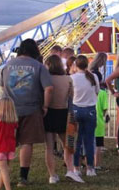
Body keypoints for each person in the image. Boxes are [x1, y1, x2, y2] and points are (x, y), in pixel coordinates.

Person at [1, 38, 53, 186]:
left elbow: (3, 86)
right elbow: (49, 88)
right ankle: (22, 177)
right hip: (31, 108)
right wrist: (45, 106)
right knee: (26, 142)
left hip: (8, 109)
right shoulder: (39, 66)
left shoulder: (7, 66)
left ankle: (0, 176)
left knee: (6, 143)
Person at [43, 54, 82, 183]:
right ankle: (70, 170)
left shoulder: (47, 79)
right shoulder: (68, 79)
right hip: (64, 113)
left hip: (49, 113)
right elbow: (71, 97)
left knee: (49, 147)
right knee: (68, 144)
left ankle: (52, 175)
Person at [70, 55, 98, 178]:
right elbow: (97, 91)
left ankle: (76, 167)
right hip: (90, 109)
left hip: (76, 109)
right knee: (89, 140)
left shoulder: (72, 78)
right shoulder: (93, 77)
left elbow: (69, 94)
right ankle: (90, 167)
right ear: (87, 64)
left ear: (76, 65)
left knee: (77, 140)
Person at [94, 82, 109, 170]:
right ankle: (97, 164)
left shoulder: (88, 91)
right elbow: (104, 108)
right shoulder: (102, 93)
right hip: (99, 122)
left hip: (88, 121)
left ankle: (86, 164)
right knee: (98, 145)